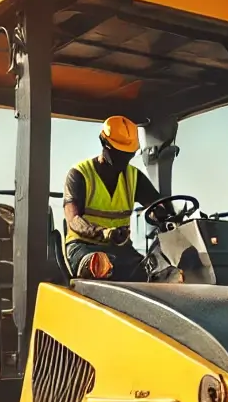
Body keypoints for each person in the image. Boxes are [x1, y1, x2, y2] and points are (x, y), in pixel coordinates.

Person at [63, 116, 166, 281]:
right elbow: (73, 220)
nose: (124, 160)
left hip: (121, 249)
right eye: (119, 154)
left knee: (152, 274)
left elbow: (158, 205)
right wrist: (104, 233)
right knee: (100, 266)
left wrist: (162, 215)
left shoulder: (134, 177)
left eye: (129, 155)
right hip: (84, 247)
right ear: (105, 144)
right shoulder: (80, 175)